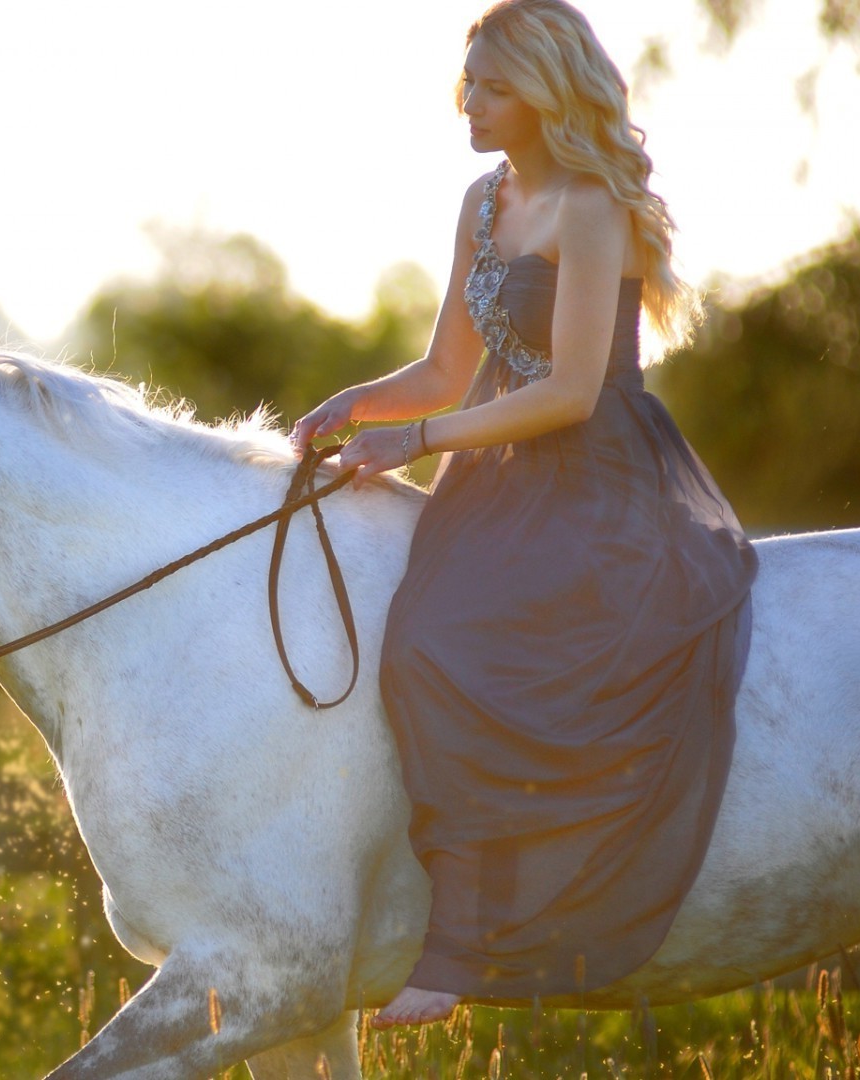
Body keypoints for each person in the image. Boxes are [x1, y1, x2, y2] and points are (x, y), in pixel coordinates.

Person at [290, 0, 757, 1029]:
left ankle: (461, 944)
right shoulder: (482, 199)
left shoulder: (594, 208)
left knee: (450, 646)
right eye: (468, 85)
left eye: (495, 87)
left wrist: (410, 446)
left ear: (547, 94)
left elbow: (569, 394)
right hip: (501, 478)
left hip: (597, 475)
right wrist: (351, 406)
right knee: (406, 643)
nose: (473, 104)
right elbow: (448, 369)